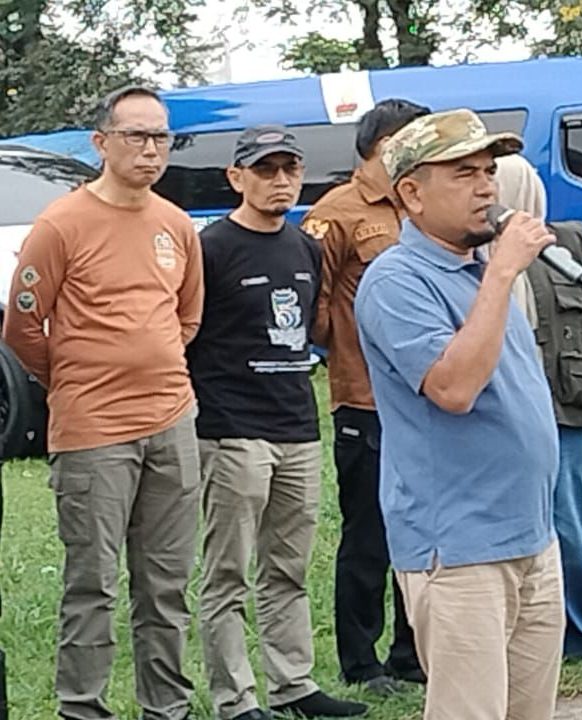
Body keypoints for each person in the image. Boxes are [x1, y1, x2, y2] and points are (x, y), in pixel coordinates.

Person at [2, 85, 203, 720]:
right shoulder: (62, 223)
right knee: (92, 584)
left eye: (161, 137)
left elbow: (187, 317)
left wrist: (150, 362)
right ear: (101, 143)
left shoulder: (176, 224)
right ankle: (82, 707)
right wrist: (72, 380)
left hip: (172, 422)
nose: (151, 150)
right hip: (93, 433)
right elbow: (22, 327)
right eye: (136, 136)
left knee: (166, 584)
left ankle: (166, 707)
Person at [356, 109, 564, 719]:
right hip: (460, 548)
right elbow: (453, 389)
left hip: (531, 536)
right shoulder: (396, 280)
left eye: (489, 171)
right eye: (463, 174)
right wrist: (502, 272)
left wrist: (493, 274)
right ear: (412, 194)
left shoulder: (477, 273)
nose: (486, 188)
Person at [187, 127, 366, 720]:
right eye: (266, 170)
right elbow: (186, 335)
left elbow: (312, 327)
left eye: (290, 169)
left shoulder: (304, 247)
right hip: (232, 428)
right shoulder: (212, 248)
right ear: (237, 177)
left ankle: (294, 685)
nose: (281, 181)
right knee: (228, 570)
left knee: (288, 566)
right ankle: (235, 698)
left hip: (297, 426)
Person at [300, 98, 428, 692]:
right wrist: (352, 349)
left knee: (421, 526)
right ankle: (361, 663)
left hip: (424, 397)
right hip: (365, 399)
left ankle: (412, 653)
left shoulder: (420, 203)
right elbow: (314, 308)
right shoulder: (336, 213)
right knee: (369, 534)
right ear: (382, 146)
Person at [493, 154, 582, 659]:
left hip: (562, 400)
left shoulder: (565, 244)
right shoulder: (479, 255)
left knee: (569, 521)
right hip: (504, 408)